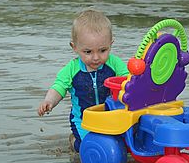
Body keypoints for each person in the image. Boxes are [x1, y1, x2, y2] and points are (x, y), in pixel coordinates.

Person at [37, 9, 128, 152]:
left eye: (103, 50)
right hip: (83, 121)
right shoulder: (72, 69)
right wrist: (49, 101)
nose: (96, 57)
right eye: (88, 52)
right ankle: (74, 141)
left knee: (118, 145)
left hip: (111, 116)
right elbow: (59, 87)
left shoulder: (115, 64)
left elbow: (128, 80)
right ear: (75, 47)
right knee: (88, 148)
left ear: (111, 44)